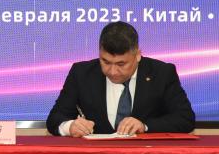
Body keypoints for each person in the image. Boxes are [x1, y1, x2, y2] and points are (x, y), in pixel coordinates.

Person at [46, 21, 195, 136]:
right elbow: (55, 118)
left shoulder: (162, 73)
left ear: (137, 55)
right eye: (105, 62)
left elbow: (185, 118)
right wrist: (69, 126)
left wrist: (145, 126)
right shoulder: (81, 73)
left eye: (121, 64)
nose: (112, 71)